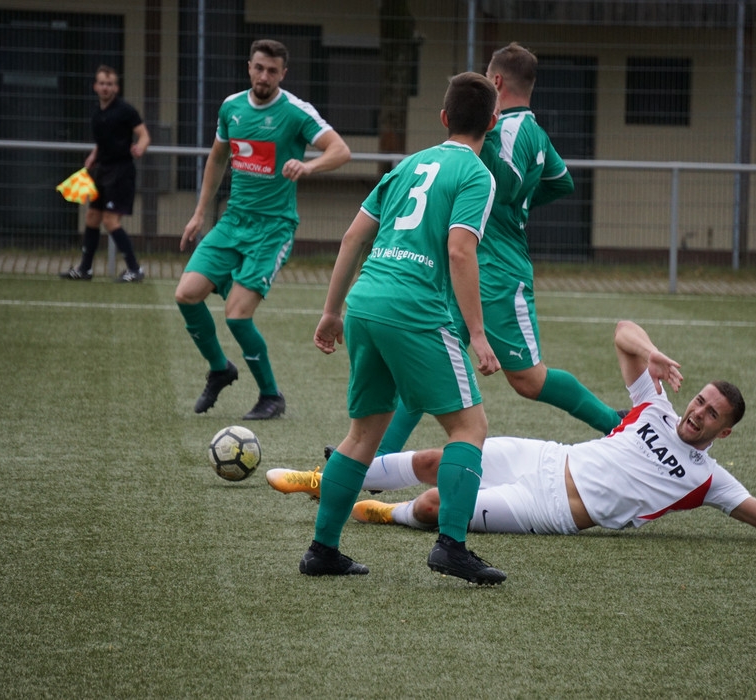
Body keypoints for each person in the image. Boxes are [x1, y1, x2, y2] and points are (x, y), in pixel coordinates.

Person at [271, 320, 756, 551]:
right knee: (440, 457)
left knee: (435, 505)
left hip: (548, 510)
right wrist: (652, 351)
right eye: (700, 401)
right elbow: (622, 333)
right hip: (543, 456)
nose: (697, 413)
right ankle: (325, 481)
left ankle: (385, 513)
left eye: (711, 415)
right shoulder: (654, 407)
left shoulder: (707, 480)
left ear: (723, 433)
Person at [298, 71, 506, 585]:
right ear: (492, 123)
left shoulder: (408, 165)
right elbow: (461, 251)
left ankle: (323, 550)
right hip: (413, 309)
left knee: (363, 433)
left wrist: (331, 311)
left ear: (444, 117)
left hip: (365, 302)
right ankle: (451, 546)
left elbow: (353, 238)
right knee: (469, 428)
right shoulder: (478, 175)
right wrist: (478, 333)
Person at [373, 42, 621, 458]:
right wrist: (519, 206)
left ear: (497, 81)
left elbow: (504, 185)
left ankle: (618, 425)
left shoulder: (506, 129)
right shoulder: (533, 132)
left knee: (529, 380)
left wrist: (507, 203)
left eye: (487, 79)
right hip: (470, 265)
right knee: (428, 361)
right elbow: (560, 182)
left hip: (497, 270)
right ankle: (378, 458)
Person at [175, 39, 351, 420]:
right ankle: (220, 369)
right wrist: (199, 213)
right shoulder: (231, 107)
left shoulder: (296, 112)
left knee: (237, 315)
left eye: (272, 71)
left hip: (273, 229)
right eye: (259, 68)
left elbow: (340, 150)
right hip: (233, 221)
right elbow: (217, 158)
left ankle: (271, 395)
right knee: (186, 294)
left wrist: (308, 166)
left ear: (283, 74)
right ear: (249, 67)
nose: (264, 76)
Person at [60, 65, 151, 283]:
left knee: (110, 220)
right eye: (102, 83)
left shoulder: (125, 110)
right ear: (95, 86)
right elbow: (103, 142)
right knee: (92, 217)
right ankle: (85, 269)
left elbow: (144, 135)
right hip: (102, 170)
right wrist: (94, 156)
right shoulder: (97, 113)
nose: (105, 88)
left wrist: (140, 148)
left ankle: (134, 269)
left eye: (109, 84)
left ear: (116, 88)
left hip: (121, 172)